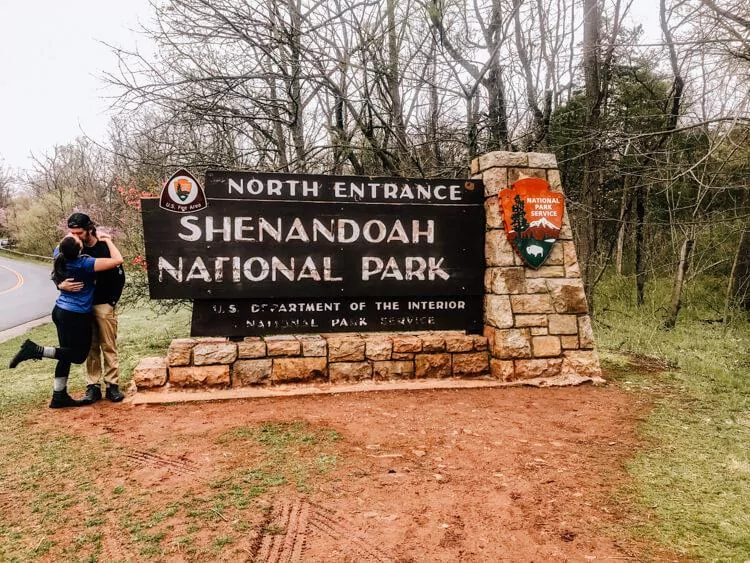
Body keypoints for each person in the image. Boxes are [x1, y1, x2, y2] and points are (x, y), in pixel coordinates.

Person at [8, 233, 124, 408]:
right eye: (77, 239)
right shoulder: (84, 264)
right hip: (75, 315)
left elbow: (63, 245)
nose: (76, 236)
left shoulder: (59, 256)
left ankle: (59, 395)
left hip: (59, 311)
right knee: (78, 356)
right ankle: (35, 350)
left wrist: (60, 284)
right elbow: (117, 260)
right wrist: (107, 240)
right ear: (79, 250)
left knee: (65, 354)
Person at [59, 213, 127, 403]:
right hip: (82, 307)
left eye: (78, 232)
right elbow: (58, 271)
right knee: (90, 346)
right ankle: (93, 386)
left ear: (89, 229)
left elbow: (119, 275)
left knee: (108, 345)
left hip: (104, 303)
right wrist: (60, 285)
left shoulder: (104, 246)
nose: (75, 236)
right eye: (71, 232)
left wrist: (112, 300)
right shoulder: (70, 248)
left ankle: (112, 385)